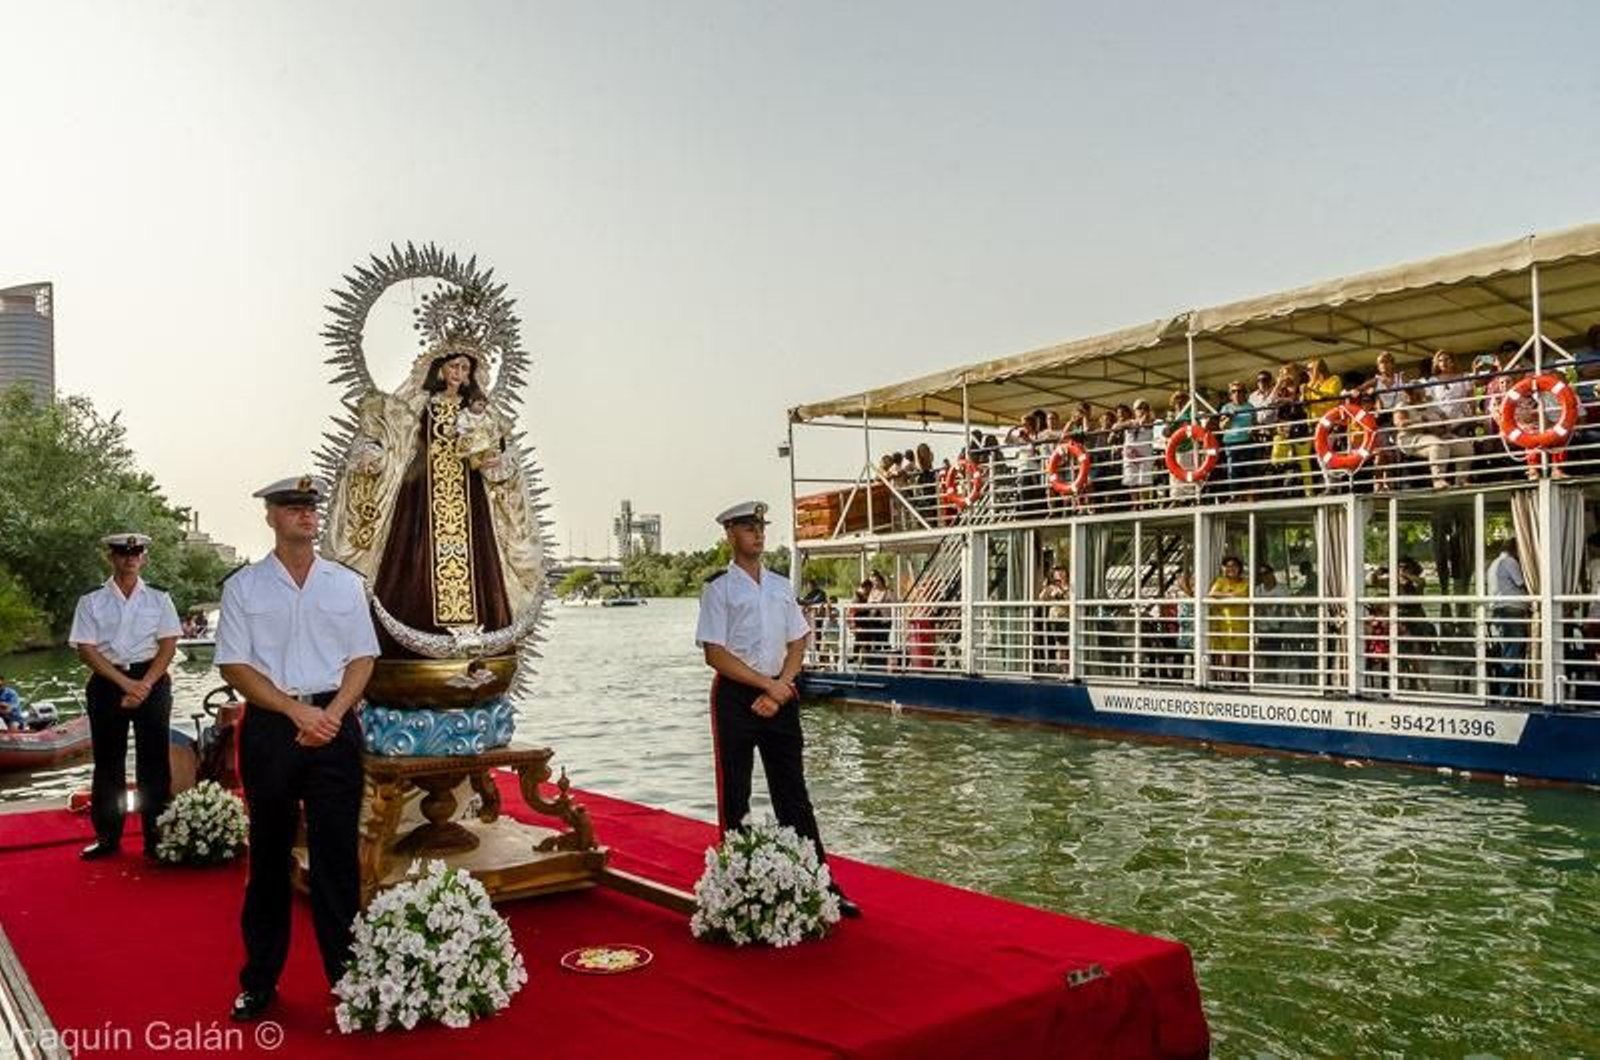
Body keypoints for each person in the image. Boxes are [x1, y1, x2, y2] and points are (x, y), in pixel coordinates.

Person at [216, 476, 380, 1023]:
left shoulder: (345, 584)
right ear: (271, 517)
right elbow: (234, 665)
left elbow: (362, 659)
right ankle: (260, 981)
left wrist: (331, 715)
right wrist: (295, 711)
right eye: (292, 507)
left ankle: (349, 980)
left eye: (311, 506)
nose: (306, 515)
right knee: (268, 858)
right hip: (272, 726)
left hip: (335, 725)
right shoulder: (244, 587)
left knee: (337, 860)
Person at [695, 501, 859, 918]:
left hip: (780, 693)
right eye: (748, 527)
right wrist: (767, 685)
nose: (758, 534)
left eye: (761, 527)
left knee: (794, 794)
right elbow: (715, 653)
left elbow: (798, 640)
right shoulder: (719, 589)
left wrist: (781, 686)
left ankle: (819, 882)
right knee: (736, 794)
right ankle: (735, 887)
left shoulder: (781, 586)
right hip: (736, 696)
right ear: (730, 534)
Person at [324, 341, 541, 658]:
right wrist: (372, 454)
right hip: (420, 499)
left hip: (471, 501)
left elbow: (503, 453)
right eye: (454, 366)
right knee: (413, 564)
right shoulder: (419, 406)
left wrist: (496, 461)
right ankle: (400, 651)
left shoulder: (481, 412)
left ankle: (480, 645)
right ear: (440, 369)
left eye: (465, 368)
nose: (459, 373)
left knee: (477, 562)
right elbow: (388, 437)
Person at [67, 532, 181, 861]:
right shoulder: (91, 600)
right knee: (108, 763)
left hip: (151, 679)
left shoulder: (159, 598)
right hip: (107, 680)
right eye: (122, 553)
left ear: (143, 557)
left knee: (154, 762)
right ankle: (107, 837)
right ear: (111, 557)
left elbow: (168, 645)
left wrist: (143, 684)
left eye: (136, 553)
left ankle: (156, 839)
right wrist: (125, 684)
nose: (130, 558)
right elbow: (86, 650)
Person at [1486, 537, 1530, 702]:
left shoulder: (1495, 563)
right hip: (1511, 610)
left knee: (1507, 652)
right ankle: (1508, 695)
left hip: (1500, 610)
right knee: (1511, 653)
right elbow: (1522, 583)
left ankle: (1505, 694)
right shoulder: (1509, 562)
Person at [1208, 556, 1250, 685]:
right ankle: (1226, 681)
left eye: (1234, 566)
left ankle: (1241, 682)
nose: (1231, 569)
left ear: (1239, 568)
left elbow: (1243, 596)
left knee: (1242, 654)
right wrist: (1230, 595)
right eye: (1228, 566)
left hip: (1241, 624)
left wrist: (1226, 598)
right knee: (1226, 654)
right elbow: (1212, 593)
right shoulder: (1221, 581)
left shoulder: (1245, 583)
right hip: (1225, 624)